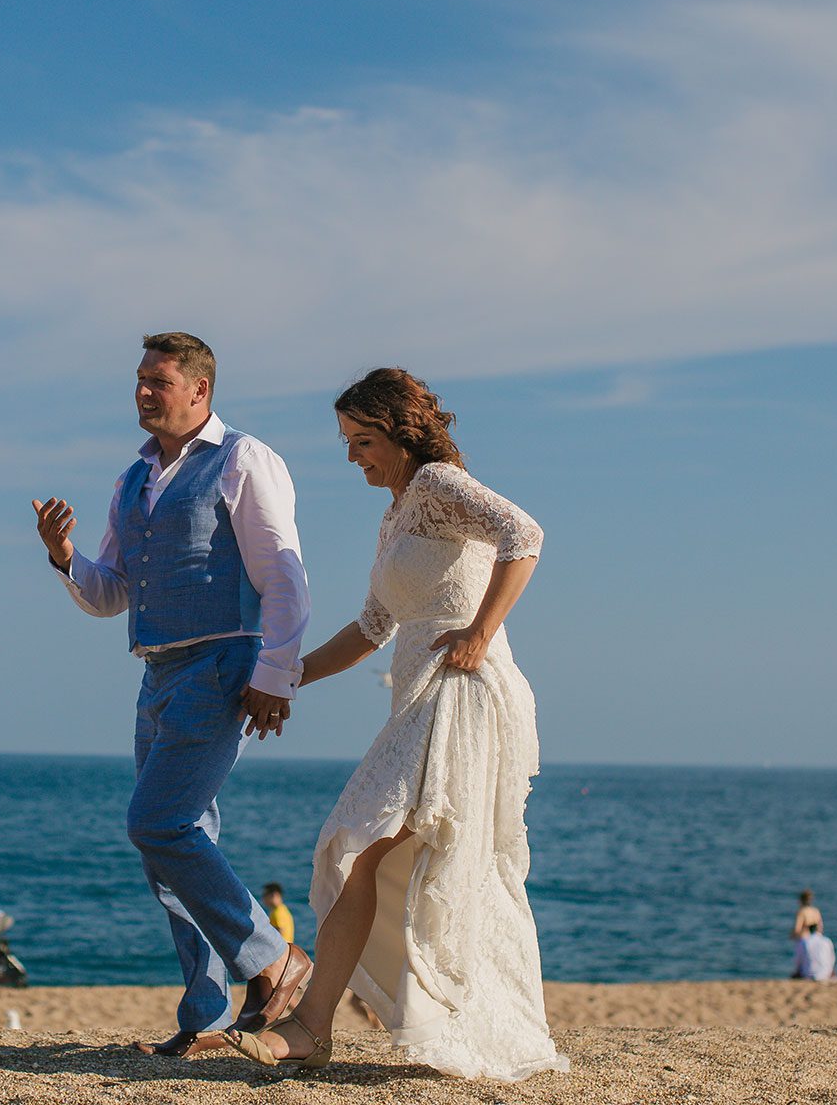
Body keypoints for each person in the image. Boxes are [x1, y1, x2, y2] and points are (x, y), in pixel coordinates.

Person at [222, 368, 567, 1081]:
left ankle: (311, 1027)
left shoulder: (439, 485)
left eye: (364, 440)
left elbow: (524, 534)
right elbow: (373, 627)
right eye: (347, 442)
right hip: (415, 697)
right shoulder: (396, 514)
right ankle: (330, 1025)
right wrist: (282, 679)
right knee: (381, 855)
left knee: (358, 843)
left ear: (402, 432)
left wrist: (478, 633)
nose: (353, 457)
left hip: (462, 695)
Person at [33, 332, 313, 1058]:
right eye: (139, 379)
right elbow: (113, 594)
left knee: (158, 824)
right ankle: (209, 1019)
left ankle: (278, 960)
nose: (143, 392)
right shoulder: (132, 481)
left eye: (158, 380)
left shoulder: (243, 459)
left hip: (223, 663)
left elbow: (282, 576)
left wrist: (274, 676)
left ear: (200, 389)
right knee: (173, 854)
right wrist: (64, 558)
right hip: (156, 671)